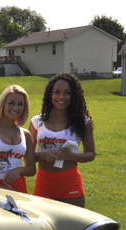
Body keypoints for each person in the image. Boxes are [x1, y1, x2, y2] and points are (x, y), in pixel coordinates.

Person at [29, 72, 95, 207]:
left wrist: (72, 156)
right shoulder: (37, 121)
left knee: (73, 227)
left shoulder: (82, 121)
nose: (61, 97)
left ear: (74, 96)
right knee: (43, 227)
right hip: (44, 182)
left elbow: (90, 154)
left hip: (70, 182)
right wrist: (43, 155)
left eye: (67, 93)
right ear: (50, 94)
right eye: (57, 92)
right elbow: (27, 156)